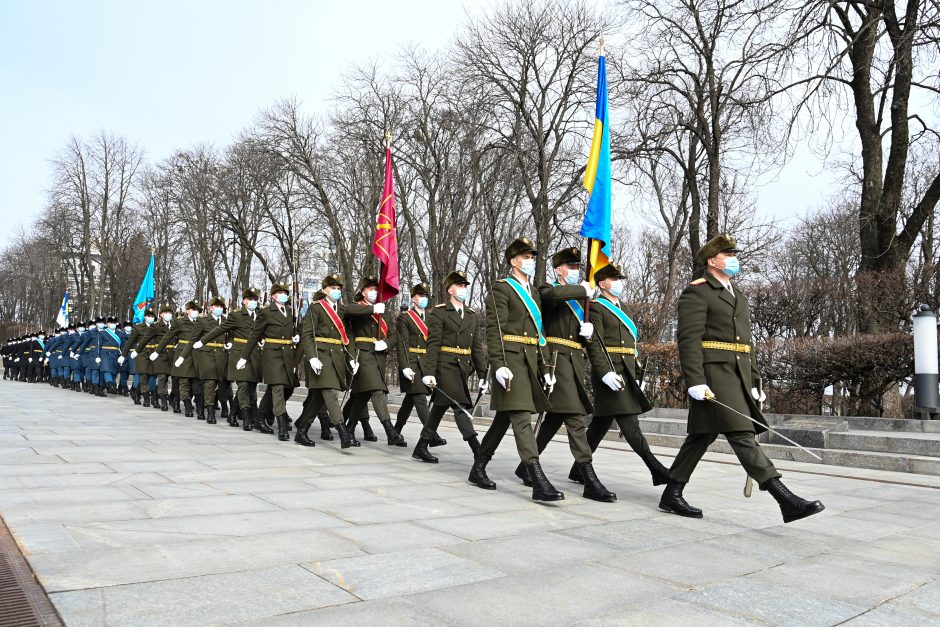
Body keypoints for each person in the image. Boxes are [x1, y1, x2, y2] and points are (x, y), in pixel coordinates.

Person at [660, 233, 825, 524]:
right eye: (728, 255)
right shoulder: (697, 292)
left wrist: (754, 380)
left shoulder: (738, 294)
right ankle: (785, 499)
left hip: (736, 375)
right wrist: (694, 380)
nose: (734, 259)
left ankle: (672, 493)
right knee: (740, 433)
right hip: (714, 374)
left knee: (702, 435)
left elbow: (746, 344)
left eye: (734, 254)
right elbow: (688, 340)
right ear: (712, 261)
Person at [510, 247, 617, 502]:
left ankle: (524, 467)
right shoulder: (545, 290)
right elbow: (551, 296)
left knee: (554, 419)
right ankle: (589, 478)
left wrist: (588, 333)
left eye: (577, 267)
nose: (575, 272)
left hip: (574, 363)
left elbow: (588, 339)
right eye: (570, 267)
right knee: (574, 417)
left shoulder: (583, 302)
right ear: (558, 269)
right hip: (555, 363)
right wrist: (582, 289)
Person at [472, 237, 567, 501]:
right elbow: (496, 329)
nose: (530, 261)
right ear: (513, 261)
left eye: (532, 258)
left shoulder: (534, 292)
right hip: (511, 361)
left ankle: (477, 467)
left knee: (504, 419)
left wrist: (546, 366)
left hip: (529, 360)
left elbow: (540, 334)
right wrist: (499, 365)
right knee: (522, 418)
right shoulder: (501, 289)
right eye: (526, 257)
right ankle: (538, 480)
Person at [576, 262, 671, 489]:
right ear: (602, 284)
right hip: (610, 374)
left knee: (600, 424)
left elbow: (631, 346)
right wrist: (604, 372)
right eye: (615, 279)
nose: (619, 283)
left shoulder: (625, 309)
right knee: (630, 423)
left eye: (620, 279)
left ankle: (578, 468)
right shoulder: (596, 307)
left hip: (626, 374)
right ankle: (655, 468)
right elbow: (595, 346)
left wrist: (638, 372)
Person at [412, 271, 488, 463]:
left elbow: (476, 347)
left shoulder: (471, 315)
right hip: (444, 366)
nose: (464, 289)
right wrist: (429, 372)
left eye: (465, 286)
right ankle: (477, 450)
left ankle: (421, 447)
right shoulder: (439, 312)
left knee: (438, 408)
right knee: (459, 405)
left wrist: (482, 375)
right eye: (460, 286)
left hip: (463, 368)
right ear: (450, 290)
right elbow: (433, 344)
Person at [295, 274, 361, 448]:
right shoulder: (316, 308)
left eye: (339, 289)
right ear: (324, 290)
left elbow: (349, 337)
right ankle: (343, 433)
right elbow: (307, 335)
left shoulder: (342, 311)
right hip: (321, 357)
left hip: (337, 358)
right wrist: (312, 358)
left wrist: (352, 358)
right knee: (331, 393)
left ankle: (301, 431)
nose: (337, 291)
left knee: (318, 398)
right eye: (333, 288)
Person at [342, 275, 406, 447]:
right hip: (362, 355)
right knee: (377, 390)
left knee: (362, 395)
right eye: (370, 289)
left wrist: (385, 343)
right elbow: (349, 311)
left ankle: (348, 430)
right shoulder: (358, 307)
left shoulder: (384, 311)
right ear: (363, 292)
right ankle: (390, 431)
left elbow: (393, 336)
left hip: (378, 356)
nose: (374, 292)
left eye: (376, 289)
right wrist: (373, 310)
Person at [237, 283, 298, 441]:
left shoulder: (291, 311)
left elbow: (292, 329)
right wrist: (244, 357)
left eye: (285, 292)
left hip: (287, 354)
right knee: (277, 387)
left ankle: (260, 418)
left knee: (277, 389)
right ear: (273, 296)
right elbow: (254, 335)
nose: (284, 295)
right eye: (280, 292)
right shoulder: (265, 312)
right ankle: (282, 425)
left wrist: (296, 335)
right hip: (272, 355)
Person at [393, 282, 444, 447]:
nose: (424, 299)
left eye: (426, 296)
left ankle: (395, 432)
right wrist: (405, 366)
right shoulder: (405, 318)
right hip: (412, 362)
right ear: (413, 298)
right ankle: (432, 434)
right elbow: (402, 344)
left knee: (410, 399)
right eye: (421, 295)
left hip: (427, 363)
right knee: (420, 397)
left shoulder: (432, 318)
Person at [183, 297, 235, 426]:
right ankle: (209, 411)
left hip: (222, 355)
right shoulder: (202, 321)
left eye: (221, 306)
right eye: (216, 306)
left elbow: (233, 335)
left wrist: (230, 343)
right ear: (210, 307)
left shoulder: (226, 320)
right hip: (206, 354)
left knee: (222, 384)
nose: (219, 308)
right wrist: (183, 356)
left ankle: (215, 406)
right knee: (209, 383)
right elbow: (194, 339)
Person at [155, 301, 203, 419]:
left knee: (196, 382)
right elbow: (168, 336)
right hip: (183, 354)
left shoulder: (201, 322)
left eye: (197, 309)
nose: (195, 311)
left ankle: (186, 401)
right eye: (193, 309)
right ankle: (185, 404)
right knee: (183, 381)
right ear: (187, 310)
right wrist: (157, 351)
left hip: (197, 354)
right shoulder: (180, 322)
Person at [138, 305, 177, 411]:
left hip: (173, 355)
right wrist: (137, 350)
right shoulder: (156, 326)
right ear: (161, 314)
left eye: (170, 313)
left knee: (175, 379)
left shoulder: (174, 325)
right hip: (161, 355)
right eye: (166, 312)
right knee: (162, 378)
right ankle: (163, 400)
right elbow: (146, 339)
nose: (168, 315)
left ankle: (171, 397)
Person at [120, 310, 157, 407]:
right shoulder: (138, 328)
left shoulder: (156, 327)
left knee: (152, 376)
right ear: (145, 317)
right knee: (143, 376)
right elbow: (129, 342)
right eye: (149, 316)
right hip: (142, 354)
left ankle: (137, 393)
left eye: (152, 316)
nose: (151, 318)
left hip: (154, 353)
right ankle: (146, 398)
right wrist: (123, 355)